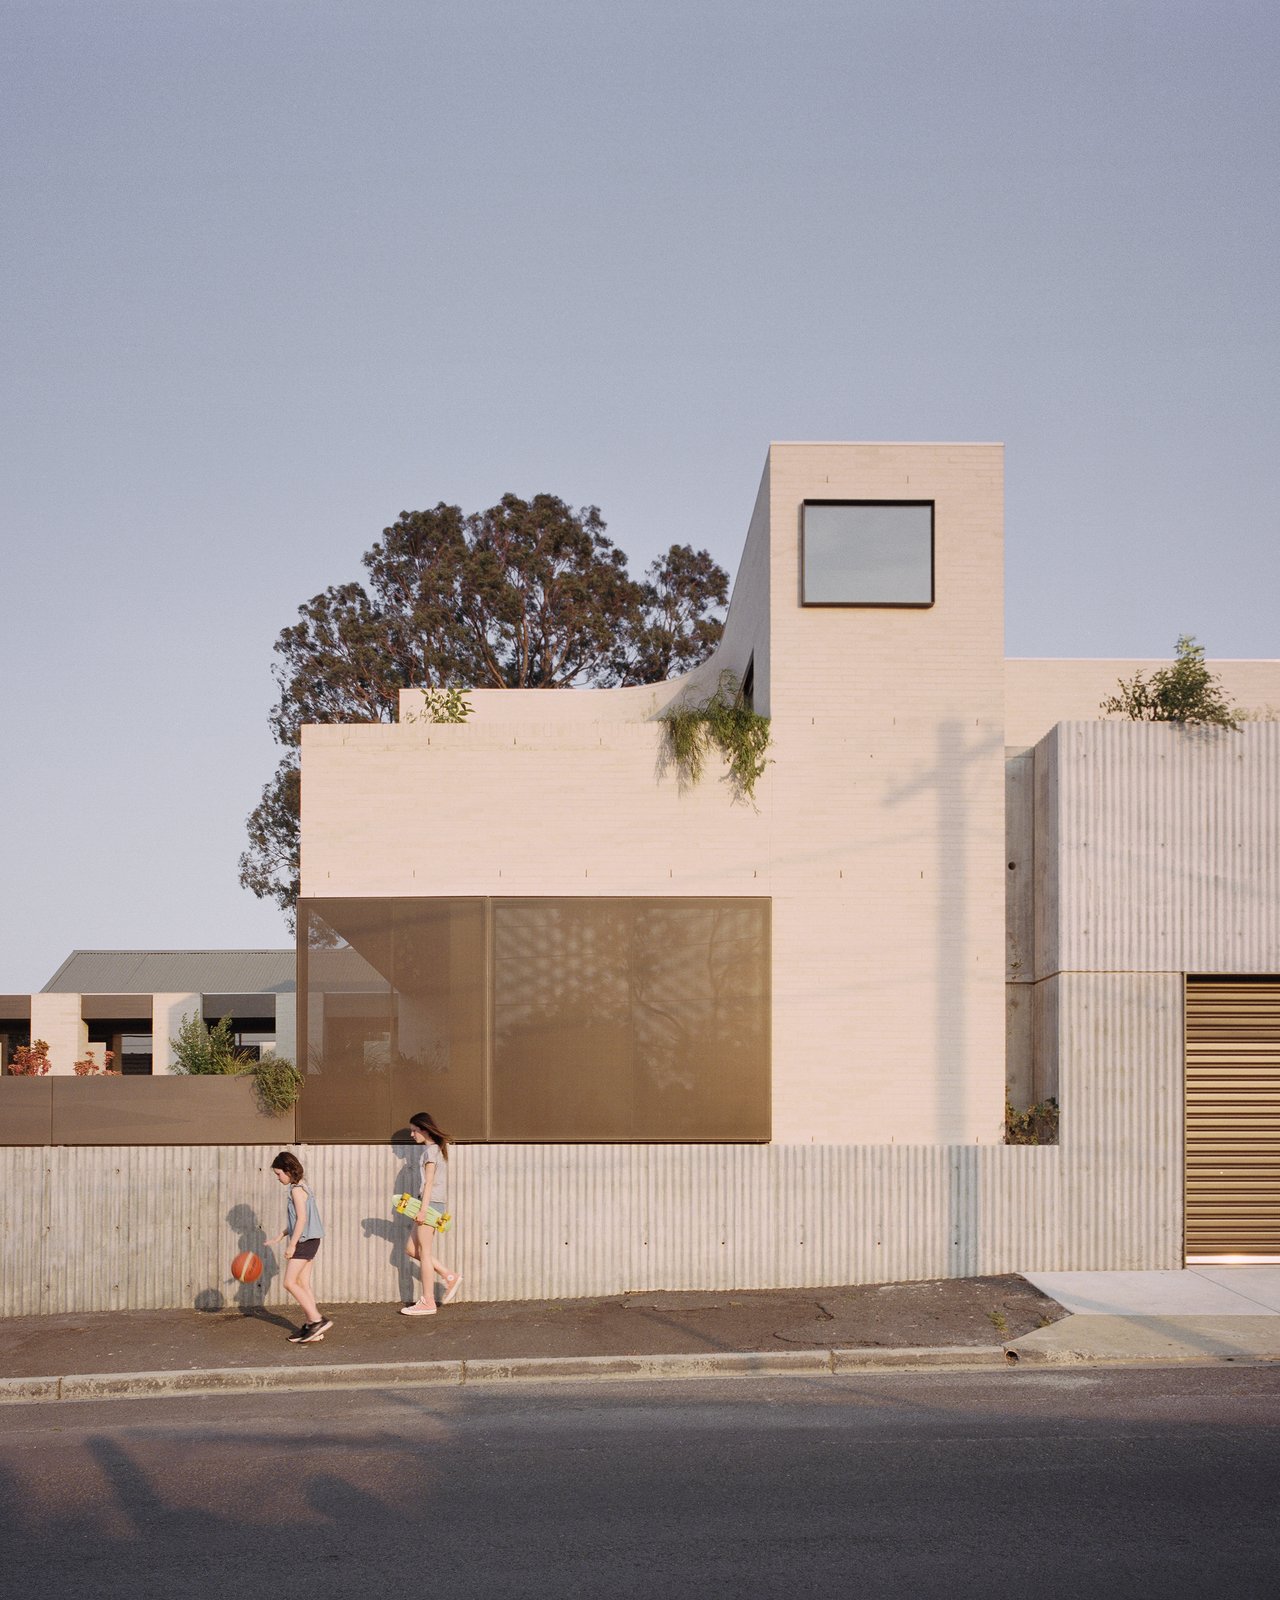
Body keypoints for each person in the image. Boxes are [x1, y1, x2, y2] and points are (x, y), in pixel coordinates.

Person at [267, 1151, 333, 1343]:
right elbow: (300, 1219)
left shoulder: (296, 1190)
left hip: (304, 1241)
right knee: (303, 1283)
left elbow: (302, 1219)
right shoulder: (303, 1186)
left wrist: (292, 1245)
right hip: (311, 1239)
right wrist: (281, 1235)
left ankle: (317, 1320)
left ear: (288, 1170)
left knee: (289, 1282)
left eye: (279, 1174)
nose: (278, 1178)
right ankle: (312, 1326)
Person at [401, 1110, 462, 1315]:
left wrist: (423, 1210)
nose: (412, 1135)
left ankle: (428, 1301)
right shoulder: (433, 1150)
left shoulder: (431, 1152)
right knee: (411, 1249)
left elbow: (429, 1182)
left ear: (424, 1130)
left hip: (430, 1205)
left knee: (425, 1253)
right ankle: (449, 1275)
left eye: (414, 1131)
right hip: (429, 1204)